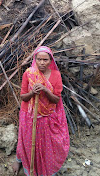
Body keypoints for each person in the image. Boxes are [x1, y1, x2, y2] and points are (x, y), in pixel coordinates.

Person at [12, 46, 70, 176]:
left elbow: (56, 100)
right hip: (29, 115)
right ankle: (23, 162)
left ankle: (45, 168)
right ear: (35, 60)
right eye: (39, 59)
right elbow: (23, 96)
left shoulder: (56, 75)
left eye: (45, 60)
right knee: (27, 140)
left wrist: (45, 89)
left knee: (45, 145)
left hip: (46, 116)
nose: (42, 62)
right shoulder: (29, 73)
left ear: (51, 61)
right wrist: (32, 92)